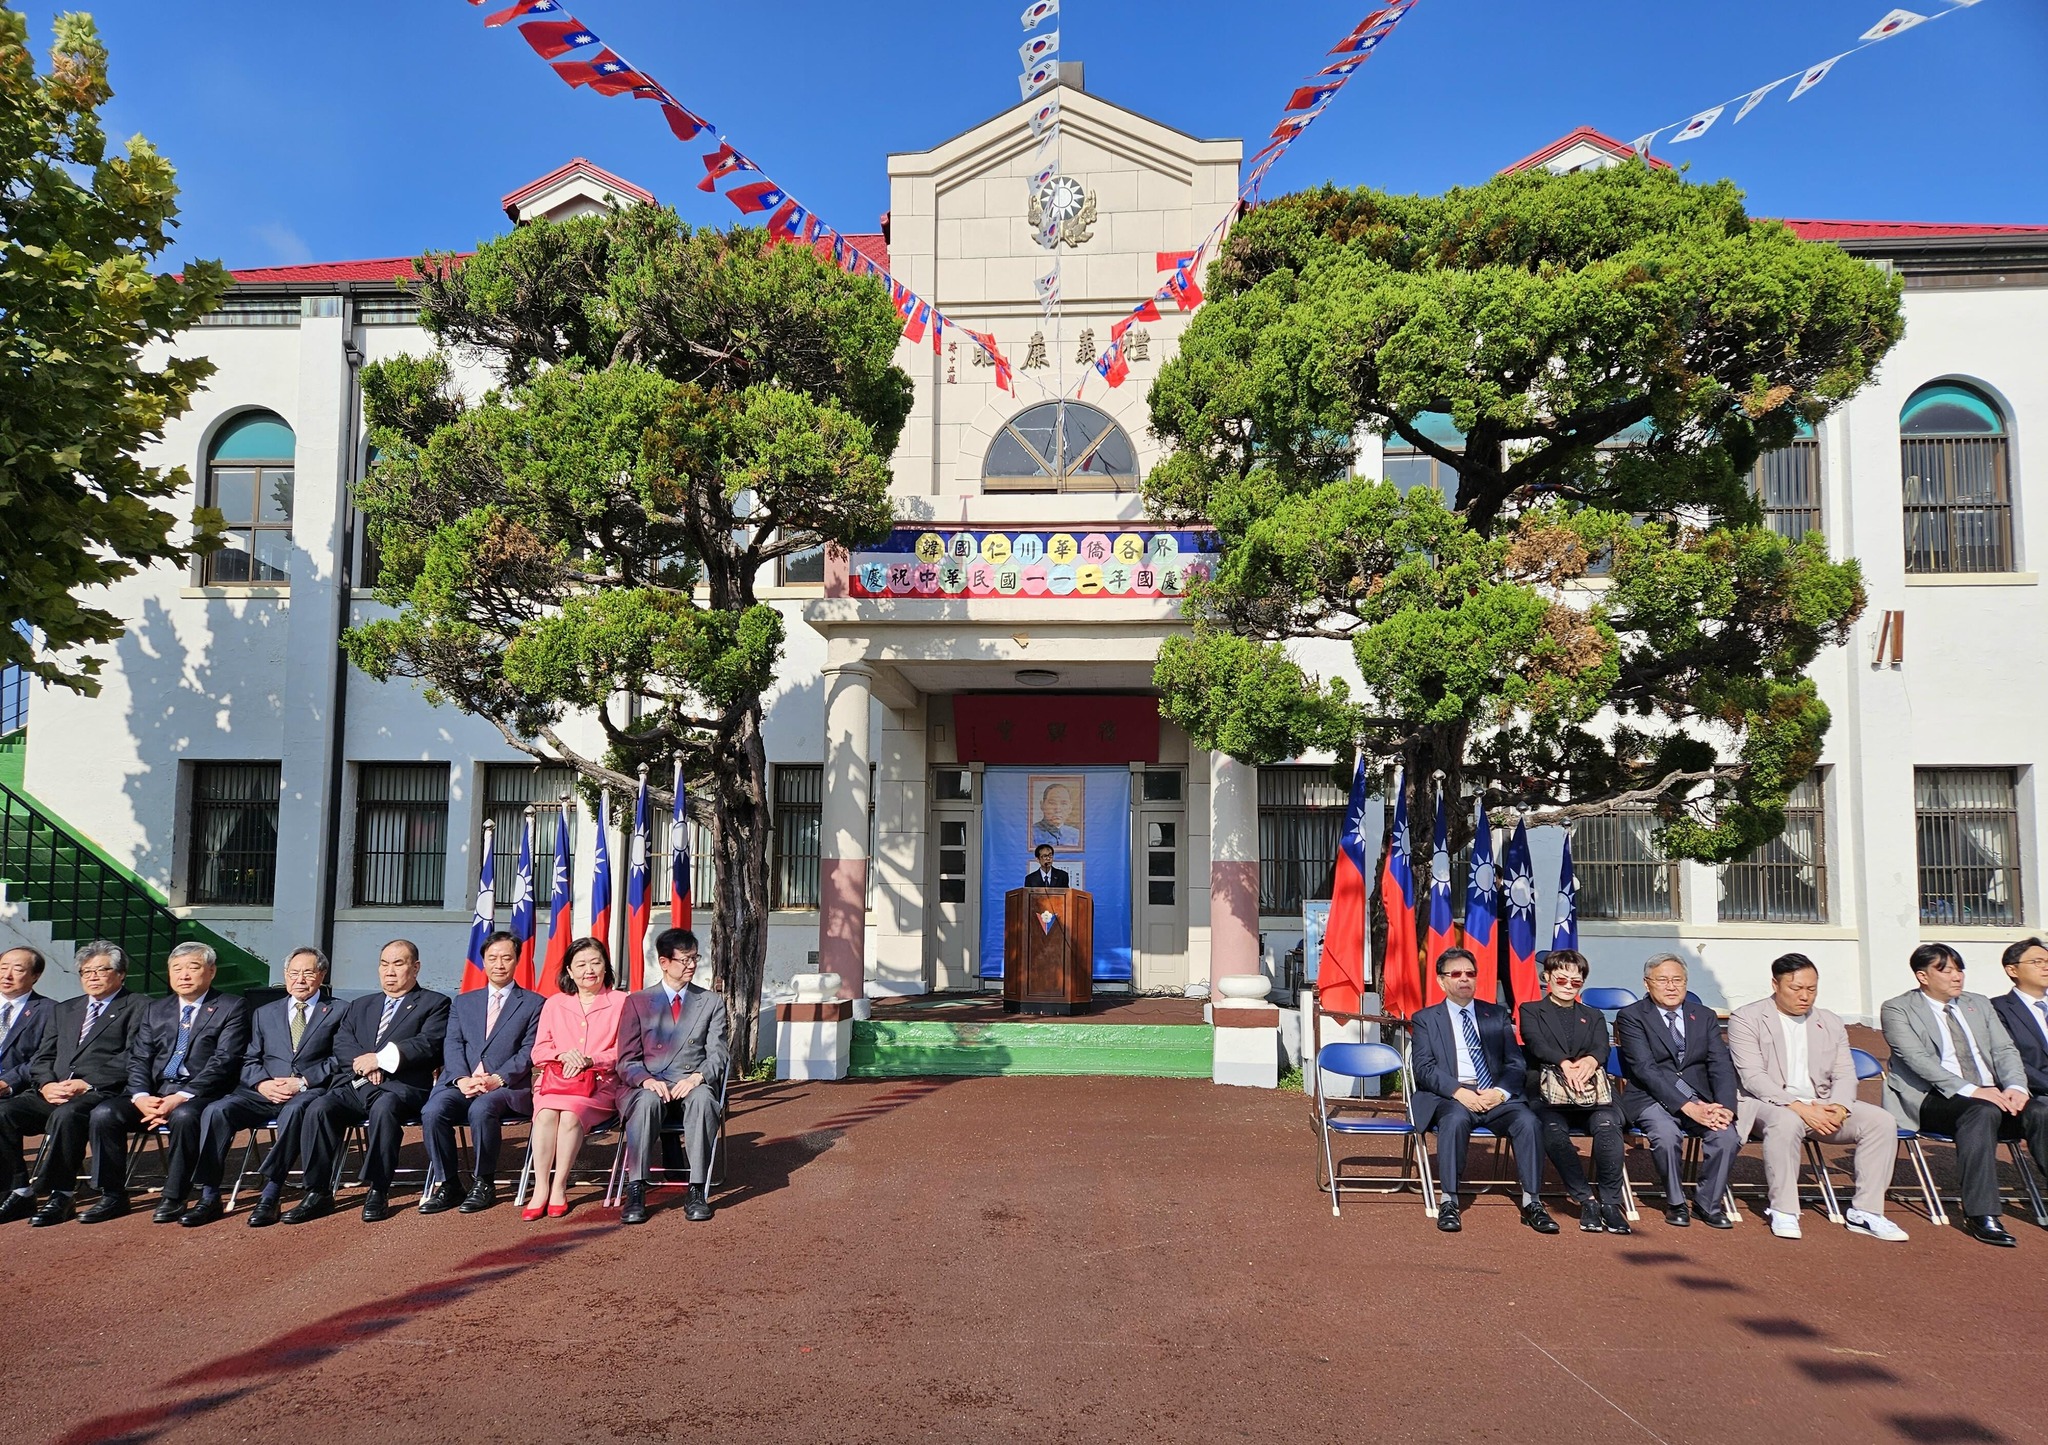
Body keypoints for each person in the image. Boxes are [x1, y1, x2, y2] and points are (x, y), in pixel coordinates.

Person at [1728, 953, 1908, 1242]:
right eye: (1796, 988)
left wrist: (1839, 1107)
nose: (1805, 996)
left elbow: (1845, 1073)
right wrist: (1798, 1107)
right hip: (1767, 1104)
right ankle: (1784, 1209)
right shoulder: (1746, 1018)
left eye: (1811, 989)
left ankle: (1867, 1211)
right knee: (1787, 1122)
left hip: (1821, 1103)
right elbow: (1753, 1078)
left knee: (1881, 1121)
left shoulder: (1830, 1021)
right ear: (1775, 985)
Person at [1881, 943, 2048, 1247]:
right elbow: (1918, 1061)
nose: (1956, 976)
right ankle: (1982, 1214)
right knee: (1980, 1112)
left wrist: (2015, 1088)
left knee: (2040, 1111)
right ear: (1923, 976)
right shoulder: (1897, 1008)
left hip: (1994, 1096)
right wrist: (1974, 1091)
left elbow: (2004, 1050)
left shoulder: (1979, 1004)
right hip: (1935, 1098)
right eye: (1945, 970)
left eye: (1959, 969)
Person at [287, 939, 450, 1225]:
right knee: (319, 1107)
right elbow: (342, 1042)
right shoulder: (361, 1005)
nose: (390, 971)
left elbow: (429, 1044)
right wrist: (365, 1063)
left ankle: (378, 1188)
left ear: (416, 967)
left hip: (401, 1087)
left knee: (384, 1107)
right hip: (356, 1084)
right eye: (384, 964)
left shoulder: (434, 1003)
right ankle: (317, 1191)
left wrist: (381, 1060)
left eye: (398, 964)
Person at [89, 942, 250, 1224]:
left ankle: (175, 1196)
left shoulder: (231, 1006)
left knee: (185, 1116)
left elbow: (225, 1060)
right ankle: (112, 1195)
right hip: (155, 1093)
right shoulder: (156, 1009)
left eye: (193, 967)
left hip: (200, 1093)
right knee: (104, 1113)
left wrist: (182, 1095)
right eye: (177, 968)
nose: (184, 975)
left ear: (211, 971)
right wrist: (140, 1096)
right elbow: (139, 1057)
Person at [188, 946, 344, 1228]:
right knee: (216, 1111)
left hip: (307, 1090)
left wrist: (303, 1081)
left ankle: (271, 1194)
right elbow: (249, 1058)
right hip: (263, 1090)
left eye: (308, 973)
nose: (300, 979)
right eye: (293, 973)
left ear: (321, 974)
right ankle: (209, 1196)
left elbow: (341, 1059)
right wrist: (261, 1083)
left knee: (296, 1111)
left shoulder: (339, 1010)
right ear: (285, 975)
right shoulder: (264, 1012)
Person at [1408, 946, 1557, 1235]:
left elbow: (1515, 1063)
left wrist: (1500, 1093)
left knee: (1528, 1122)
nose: (1464, 979)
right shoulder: (1426, 1019)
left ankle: (1532, 1202)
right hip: (1451, 1096)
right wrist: (1458, 1092)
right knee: (1454, 1121)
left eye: (1470, 973)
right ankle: (1449, 1200)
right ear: (1441, 981)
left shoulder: (1495, 1014)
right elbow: (1423, 1069)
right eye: (1456, 974)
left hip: (1493, 1094)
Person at [0, 941, 146, 1226]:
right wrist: (45, 1085)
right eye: (85, 972)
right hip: (54, 1090)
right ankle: (20, 1190)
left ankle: (62, 1194)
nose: (91, 977)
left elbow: (135, 1055)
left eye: (100, 970)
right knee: (4, 1111)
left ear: (121, 974)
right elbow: (44, 1056)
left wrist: (87, 1083)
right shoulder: (66, 1009)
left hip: (102, 1091)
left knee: (67, 1115)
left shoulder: (139, 1006)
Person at [419, 931, 542, 1216]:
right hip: (462, 1083)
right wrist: (462, 1079)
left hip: (506, 1087)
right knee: (433, 1111)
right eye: (492, 958)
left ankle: (484, 1182)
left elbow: (528, 1050)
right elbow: (452, 1043)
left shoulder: (534, 1003)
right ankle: (448, 1183)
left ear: (517, 961)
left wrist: (497, 1078)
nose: (499, 964)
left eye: (506, 958)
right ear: (483, 962)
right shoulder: (463, 1002)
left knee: (482, 1108)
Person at [1615, 954, 1739, 1229]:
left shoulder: (1704, 1016)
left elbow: (1720, 1064)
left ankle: (1707, 1204)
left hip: (1701, 1097)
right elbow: (1646, 1069)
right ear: (1647, 984)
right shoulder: (1632, 1016)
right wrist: (1689, 1107)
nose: (1671, 987)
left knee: (1727, 1137)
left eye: (1677, 980)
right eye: (1663, 980)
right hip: (1651, 1096)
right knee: (1666, 1135)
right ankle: (1676, 1202)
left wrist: (1726, 1107)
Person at [616, 927, 730, 1226]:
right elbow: (626, 1059)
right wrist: (645, 1080)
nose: (692, 965)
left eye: (695, 958)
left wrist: (699, 1077)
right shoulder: (637, 1001)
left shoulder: (711, 1002)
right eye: (685, 959)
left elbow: (718, 1054)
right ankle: (637, 1188)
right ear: (664, 962)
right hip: (650, 1083)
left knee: (705, 1099)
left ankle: (696, 1189)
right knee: (644, 1103)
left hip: (690, 1082)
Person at [1517, 949, 1630, 1234]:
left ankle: (1610, 1202)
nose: (1568, 986)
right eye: (1561, 979)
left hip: (1591, 1092)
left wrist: (1590, 1062)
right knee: (1552, 1132)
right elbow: (1535, 1043)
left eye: (1575, 982)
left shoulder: (1592, 1015)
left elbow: (1601, 1047)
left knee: (1608, 1126)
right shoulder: (1530, 1010)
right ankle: (1586, 1199)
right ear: (1547, 978)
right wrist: (1565, 1064)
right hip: (1549, 1094)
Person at [525, 936, 627, 1221]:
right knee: (545, 1114)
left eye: (595, 962)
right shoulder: (555, 1004)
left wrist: (591, 1060)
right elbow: (539, 1050)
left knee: (570, 1115)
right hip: (556, 1082)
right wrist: (562, 1056)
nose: (589, 970)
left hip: (600, 1086)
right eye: (580, 964)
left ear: (606, 966)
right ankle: (540, 1186)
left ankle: (559, 1186)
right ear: (569, 971)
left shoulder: (622, 1002)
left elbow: (626, 1049)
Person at [0, 946, 55, 1201]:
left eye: (18, 969)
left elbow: (43, 1059)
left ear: (35, 976)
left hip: (23, 1091)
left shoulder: (50, 1011)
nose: (7, 975)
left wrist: (8, 1082)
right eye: (3, 968)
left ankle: (14, 1190)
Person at [1990, 937, 2048, 1098]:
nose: (2045, 967)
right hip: (2034, 1093)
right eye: (2037, 962)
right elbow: (2011, 1059)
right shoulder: (1997, 1009)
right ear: (2012, 970)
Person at [1032, 783, 1080, 849]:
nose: (1058, 809)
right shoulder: (1031, 834)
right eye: (1052, 803)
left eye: (1064, 803)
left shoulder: (1077, 835)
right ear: (1042, 805)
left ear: (1070, 808)